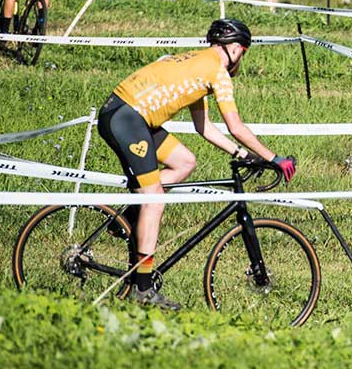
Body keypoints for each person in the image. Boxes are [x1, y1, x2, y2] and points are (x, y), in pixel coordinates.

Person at [97, 18, 297, 310]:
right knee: (155, 202)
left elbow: (204, 127)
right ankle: (143, 288)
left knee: (184, 162)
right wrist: (274, 158)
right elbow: (236, 126)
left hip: (129, 115)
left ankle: (130, 215)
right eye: (243, 49)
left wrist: (240, 154)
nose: (242, 56)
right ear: (234, 48)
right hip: (127, 118)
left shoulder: (198, 64)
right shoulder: (216, 72)